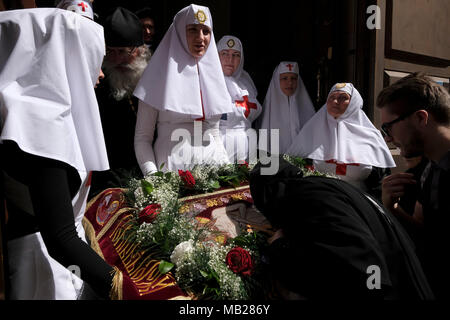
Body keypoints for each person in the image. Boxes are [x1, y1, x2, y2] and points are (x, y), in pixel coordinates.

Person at [0, 6, 114, 300]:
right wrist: (118, 286)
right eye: (93, 59)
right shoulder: (36, 124)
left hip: (64, 263)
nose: (101, 73)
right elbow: (59, 239)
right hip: (42, 268)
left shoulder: (49, 112)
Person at [249, 157, 434, 300]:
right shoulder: (327, 187)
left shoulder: (304, 197)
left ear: (268, 195)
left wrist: (278, 250)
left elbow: (363, 259)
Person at [133, 4, 234, 175]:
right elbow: (143, 138)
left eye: (206, 31)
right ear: (179, 31)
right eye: (193, 30)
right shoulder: (157, 75)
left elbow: (215, 133)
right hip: (173, 168)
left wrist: (228, 171)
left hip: (213, 168)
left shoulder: (214, 75)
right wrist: (153, 177)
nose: (200, 38)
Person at [377, 72, 450, 299]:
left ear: (420, 117)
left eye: (388, 128)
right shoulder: (429, 168)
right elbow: (426, 234)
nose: (387, 138)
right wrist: (392, 209)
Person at [287, 83, 395, 199]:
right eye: (332, 97)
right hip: (320, 198)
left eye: (342, 98)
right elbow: (295, 166)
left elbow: (381, 182)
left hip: (358, 202)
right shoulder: (312, 130)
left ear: (354, 102)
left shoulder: (371, 136)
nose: (335, 101)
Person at [90, 7, 151, 197]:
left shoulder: (154, 82)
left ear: (140, 50)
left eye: (123, 52)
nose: (117, 60)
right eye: (110, 51)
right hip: (106, 178)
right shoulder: (97, 85)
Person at [217, 35, 262, 163]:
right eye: (225, 53)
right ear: (216, 56)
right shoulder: (210, 81)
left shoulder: (246, 81)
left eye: (236, 55)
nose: (230, 59)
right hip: (222, 146)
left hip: (248, 146)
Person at [257, 61, 316, 155]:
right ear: (277, 81)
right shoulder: (268, 110)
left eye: (293, 78)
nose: (290, 82)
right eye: (284, 78)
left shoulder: (307, 109)